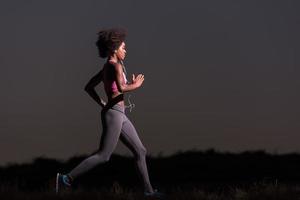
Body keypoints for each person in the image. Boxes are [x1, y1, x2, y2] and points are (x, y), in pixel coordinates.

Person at [55, 28, 165, 198]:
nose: (125, 50)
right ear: (114, 48)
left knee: (140, 151)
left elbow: (89, 87)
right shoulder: (115, 66)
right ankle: (65, 179)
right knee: (104, 155)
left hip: (118, 113)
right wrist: (136, 85)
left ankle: (149, 191)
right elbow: (121, 88)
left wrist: (102, 103)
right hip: (114, 114)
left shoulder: (107, 67)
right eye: (123, 47)